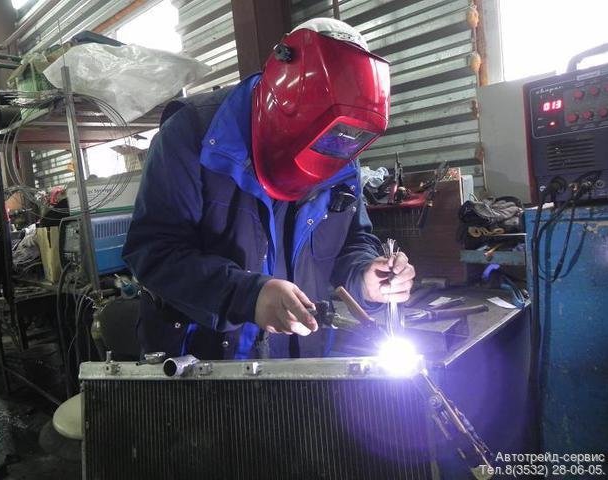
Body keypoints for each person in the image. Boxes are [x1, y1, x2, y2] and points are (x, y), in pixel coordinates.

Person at [122, 18, 416, 360]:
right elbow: (153, 252)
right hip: (204, 365)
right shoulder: (191, 134)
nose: (331, 148)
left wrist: (363, 274)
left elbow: (352, 240)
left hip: (300, 360)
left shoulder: (341, 151)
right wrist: (246, 296)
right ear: (282, 100)